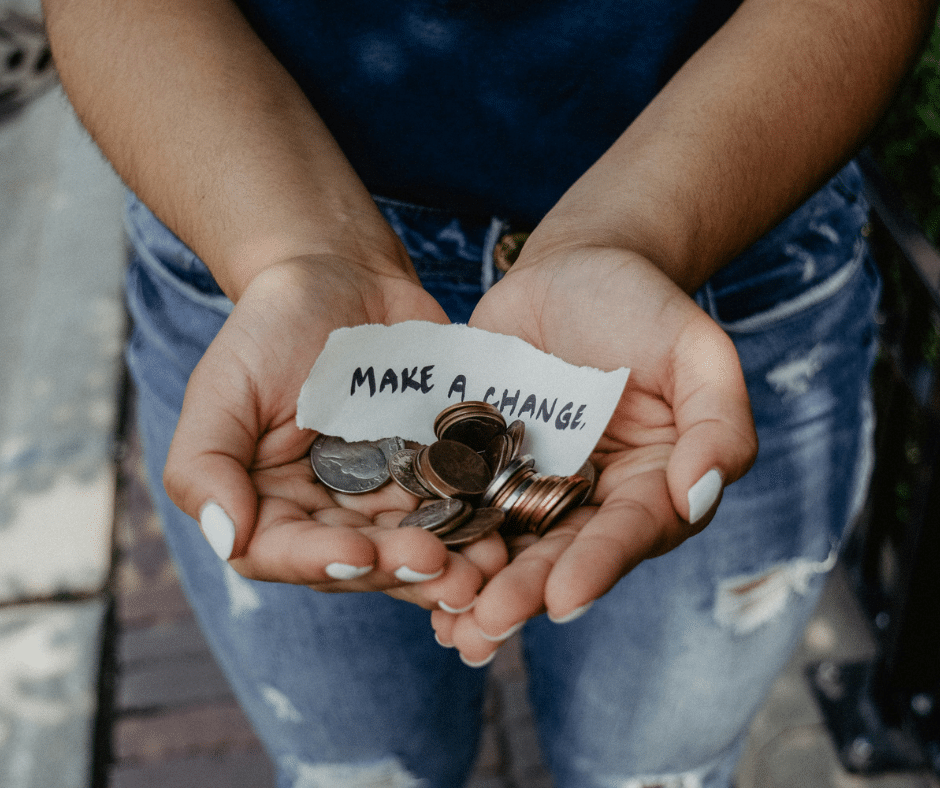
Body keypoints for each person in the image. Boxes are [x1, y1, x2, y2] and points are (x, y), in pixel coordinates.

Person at [42, 0, 936, 786]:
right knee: (356, 777)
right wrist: (292, 257)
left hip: (725, 237)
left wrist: (630, 237)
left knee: (655, 779)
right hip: (252, 251)